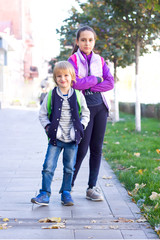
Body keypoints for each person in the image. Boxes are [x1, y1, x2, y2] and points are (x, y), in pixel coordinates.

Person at [31, 61, 90, 206]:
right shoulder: (51, 95)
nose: (62, 79)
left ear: (72, 77)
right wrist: (47, 127)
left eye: (66, 75)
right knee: (48, 166)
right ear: (55, 79)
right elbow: (42, 114)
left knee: (69, 168)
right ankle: (44, 193)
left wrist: (81, 127)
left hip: (71, 139)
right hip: (55, 140)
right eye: (59, 76)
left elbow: (86, 114)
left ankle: (66, 193)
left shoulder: (78, 95)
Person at [68, 25, 114, 201]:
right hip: (83, 110)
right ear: (78, 41)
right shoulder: (72, 60)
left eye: (90, 40)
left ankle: (92, 188)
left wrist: (88, 84)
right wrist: (96, 79)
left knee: (97, 149)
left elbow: (110, 83)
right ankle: (68, 186)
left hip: (100, 108)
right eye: (83, 40)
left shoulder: (100, 60)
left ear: (94, 41)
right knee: (81, 148)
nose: (87, 43)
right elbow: (74, 83)